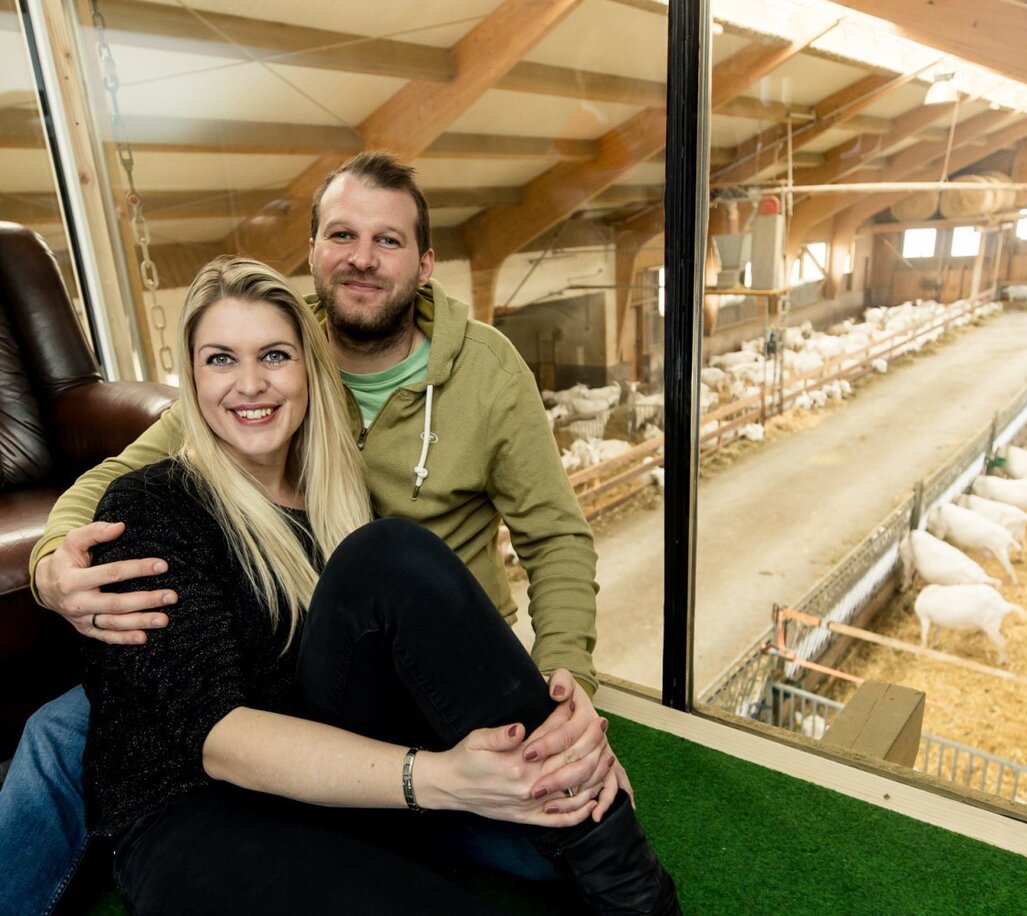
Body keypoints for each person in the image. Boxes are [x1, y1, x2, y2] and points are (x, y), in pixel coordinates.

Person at [0, 153, 622, 914]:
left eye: (388, 240)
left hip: (429, 669)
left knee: (555, 830)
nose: (362, 257)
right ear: (315, 252)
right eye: (342, 234)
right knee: (64, 730)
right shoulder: (273, 362)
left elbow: (555, 537)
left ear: (426, 263)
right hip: (279, 650)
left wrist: (567, 687)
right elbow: (116, 481)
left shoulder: (485, 371)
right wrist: (51, 570)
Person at [80, 256, 679, 914]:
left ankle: (634, 890)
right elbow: (220, 742)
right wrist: (444, 779)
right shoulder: (150, 506)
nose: (249, 384)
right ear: (192, 378)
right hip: (193, 812)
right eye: (220, 359)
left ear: (309, 369)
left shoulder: (336, 502)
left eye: (274, 355)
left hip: (334, 783)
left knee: (391, 552)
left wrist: (565, 753)